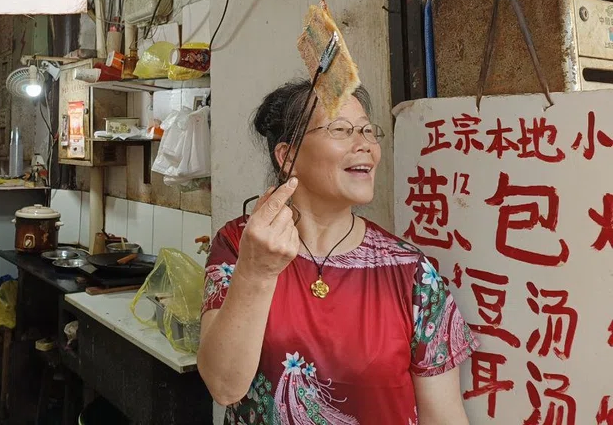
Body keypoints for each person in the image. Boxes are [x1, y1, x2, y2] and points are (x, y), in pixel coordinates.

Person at [197, 79, 477, 424]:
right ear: (288, 157)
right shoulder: (240, 245)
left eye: (367, 131)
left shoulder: (410, 271)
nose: (365, 146)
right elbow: (224, 387)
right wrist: (257, 272)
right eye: (342, 129)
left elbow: (443, 416)